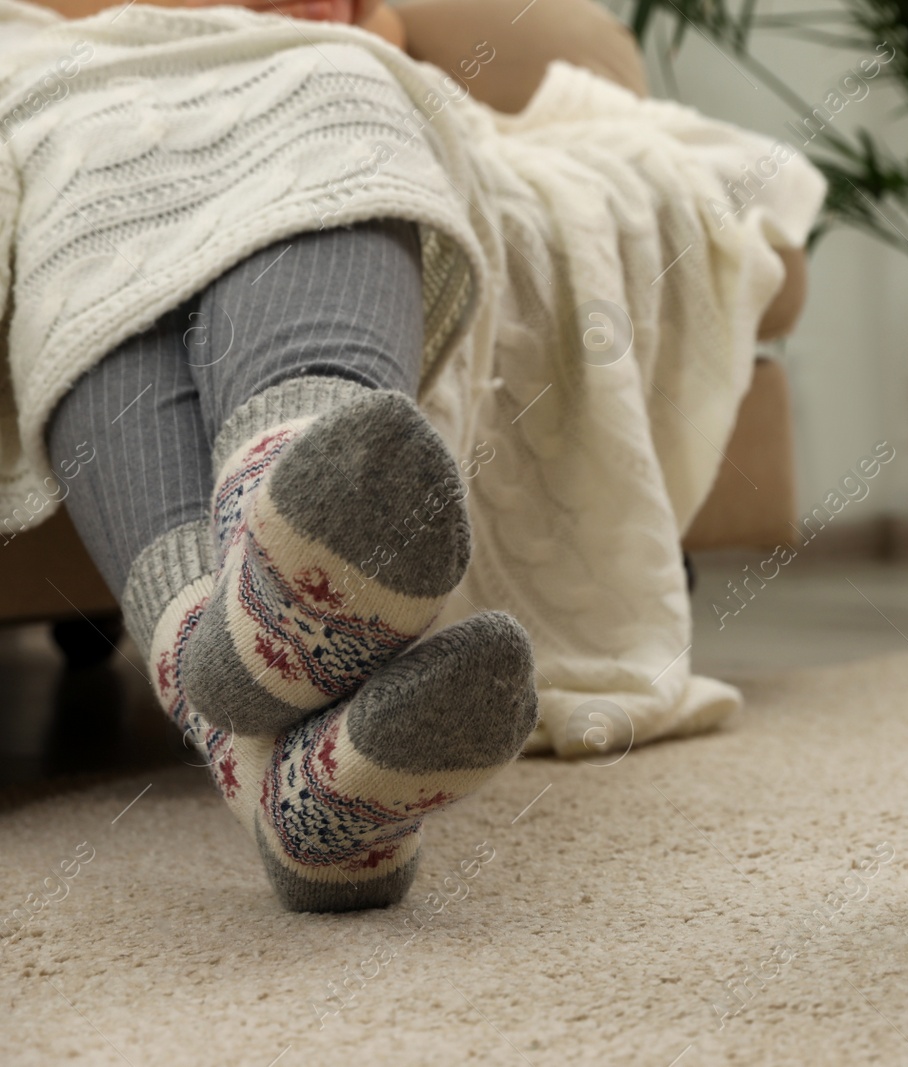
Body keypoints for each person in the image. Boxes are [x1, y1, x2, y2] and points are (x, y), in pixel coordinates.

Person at [16, 0, 539, 913]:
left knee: (337, 87)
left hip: (292, 63)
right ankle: (290, 774)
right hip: (68, 70)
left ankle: (243, 655)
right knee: (89, 159)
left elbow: (382, 31)